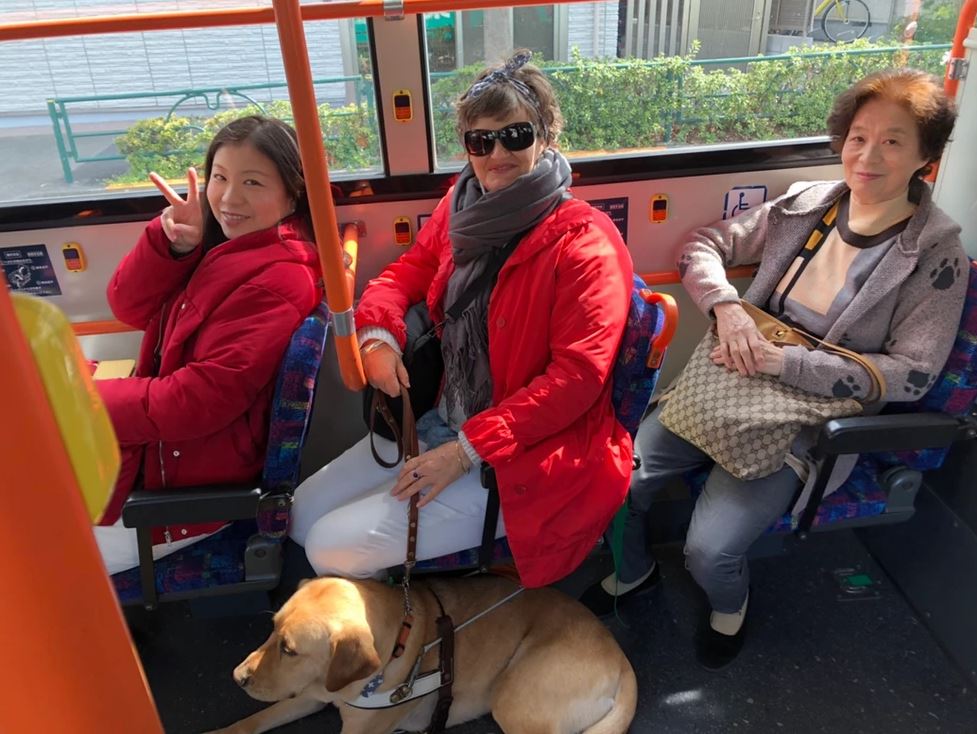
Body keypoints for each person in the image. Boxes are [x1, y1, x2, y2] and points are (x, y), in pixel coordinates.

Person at [582, 69, 965, 668]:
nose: (868, 155)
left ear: (926, 157)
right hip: (727, 381)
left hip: (803, 419)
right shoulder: (807, 205)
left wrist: (786, 361)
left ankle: (728, 609)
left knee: (709, 552)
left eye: (893, 140)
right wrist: (728, 308)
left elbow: (911, 374)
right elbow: (702, 245)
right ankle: (634, 573)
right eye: (859, 136)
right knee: (613, 485)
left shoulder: (934, 253)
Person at [289, 51, 634, 588]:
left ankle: (404, 639)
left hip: (522, 452)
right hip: (442, 414)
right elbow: (410, 269)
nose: (495, 154)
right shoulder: (462, 204)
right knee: (302, 514)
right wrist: (378, 336)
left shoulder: (585, 243)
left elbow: (577, 379)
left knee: (329, 546)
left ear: (545, 136)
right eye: (479, 140)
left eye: (514, 136)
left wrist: (468, 450)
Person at [94, 115, 323, 574]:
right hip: (159, 461)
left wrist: (79, 404)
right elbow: (129, 307)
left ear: (294, 193)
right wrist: (173, 246)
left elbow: (198, 400)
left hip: (178, 497)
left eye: (253, 183)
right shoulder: (225, 249)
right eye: (220, 178)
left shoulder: (279, 278)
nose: (229, 198)